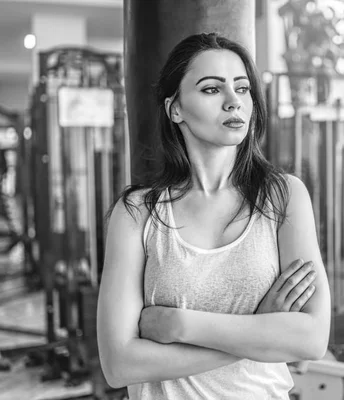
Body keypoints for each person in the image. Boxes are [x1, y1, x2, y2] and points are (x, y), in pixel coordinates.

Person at [97, 33, 331, 399]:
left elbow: (312, 338)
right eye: (211, 89)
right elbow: (118, 365)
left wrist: (180, 325)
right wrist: (258, 330)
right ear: (175, 109)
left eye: (242, 88)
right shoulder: (137, 213)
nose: (233, 101)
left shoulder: (284, 196)